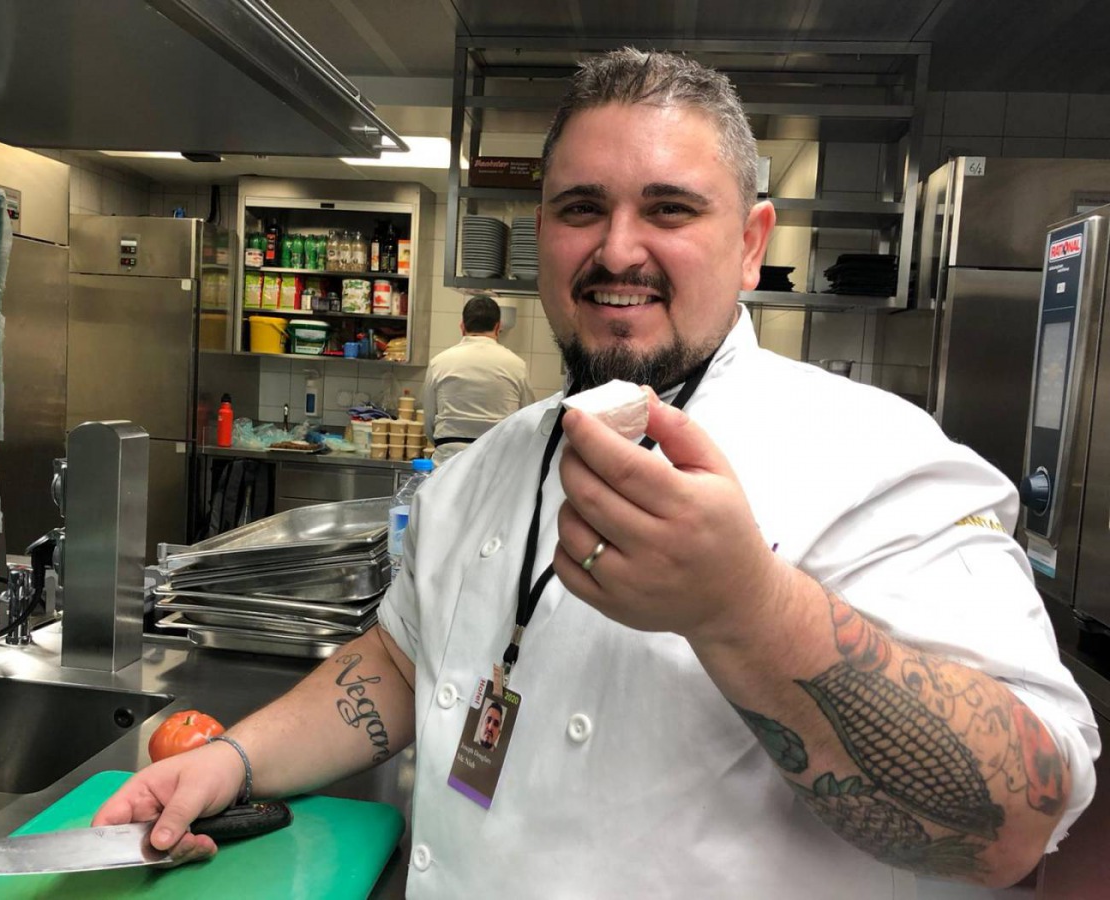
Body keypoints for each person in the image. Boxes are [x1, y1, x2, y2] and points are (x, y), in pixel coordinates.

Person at [94, 48, 1099, 897]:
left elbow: (1020, 818)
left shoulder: (880, 458)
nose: (619, 249)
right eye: (583, 208)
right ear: (542, 238)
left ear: (751, 244)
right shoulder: (492, 464)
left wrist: (747, 608)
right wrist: (233, 760)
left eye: (670, 209)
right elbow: (405, 666)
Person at [421, 294, 535, 465]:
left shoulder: (439, 363)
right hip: (497, 464)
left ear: (462, 326)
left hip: (448, 464)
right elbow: (528, 420)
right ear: (498, 327)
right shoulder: (517, 366)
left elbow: (429, 424)